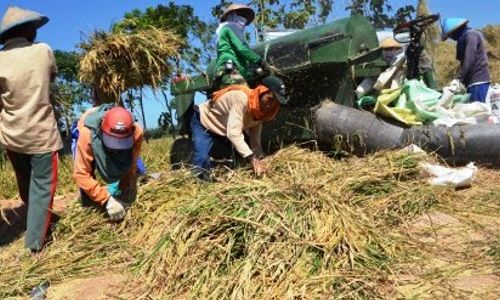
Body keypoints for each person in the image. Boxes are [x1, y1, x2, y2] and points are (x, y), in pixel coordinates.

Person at [0, 6, 62, 252]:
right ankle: (35, 246)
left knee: (26, 184)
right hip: (41, 134)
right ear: (25, 30)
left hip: (12, 135)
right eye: (33, 29)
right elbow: (51, 77)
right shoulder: (43, 51)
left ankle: (36, 221)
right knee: (43, 187)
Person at [191, 76, 287, 180]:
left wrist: (261, 161)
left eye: (275, 103)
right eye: (269, 99)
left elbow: (255, 142)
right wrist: (253, 160)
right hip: (205, 123)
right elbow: (233, 134)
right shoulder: (241, 99)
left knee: (241, 157)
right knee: (202, 159)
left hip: (223, 129)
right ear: (261, 92)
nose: (270, 105)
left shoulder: (259, 113)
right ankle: (198, 184)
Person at [73, 104, 143, 221]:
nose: (115, 149)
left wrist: (125, 190)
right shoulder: (87, 134)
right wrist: (107, 200)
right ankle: (91, 207)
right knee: (87, 187)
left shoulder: (136, 132)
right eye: (113, 143)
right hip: (89, 133)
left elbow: (132, 164)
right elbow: (81, 174)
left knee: (132, 176)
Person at [214, 3, 266, 89]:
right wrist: (260, 61)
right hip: (228, 66)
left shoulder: (240, 36)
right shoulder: (226, 29)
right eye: (241, 14)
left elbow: (243, 66)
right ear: (231, 15)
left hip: (238, 70)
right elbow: (241, 49)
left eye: (244, 15)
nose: (243, 18)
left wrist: (256, 72)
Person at [441, 18, 491, 102]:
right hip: (470, 82)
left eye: (451, 35)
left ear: (455, 30)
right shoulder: (463, 39)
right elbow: (463, 62)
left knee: (478, 111)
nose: (452, 38)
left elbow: (469, 59)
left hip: (477, 81)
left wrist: (458, 78)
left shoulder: (471, 35)